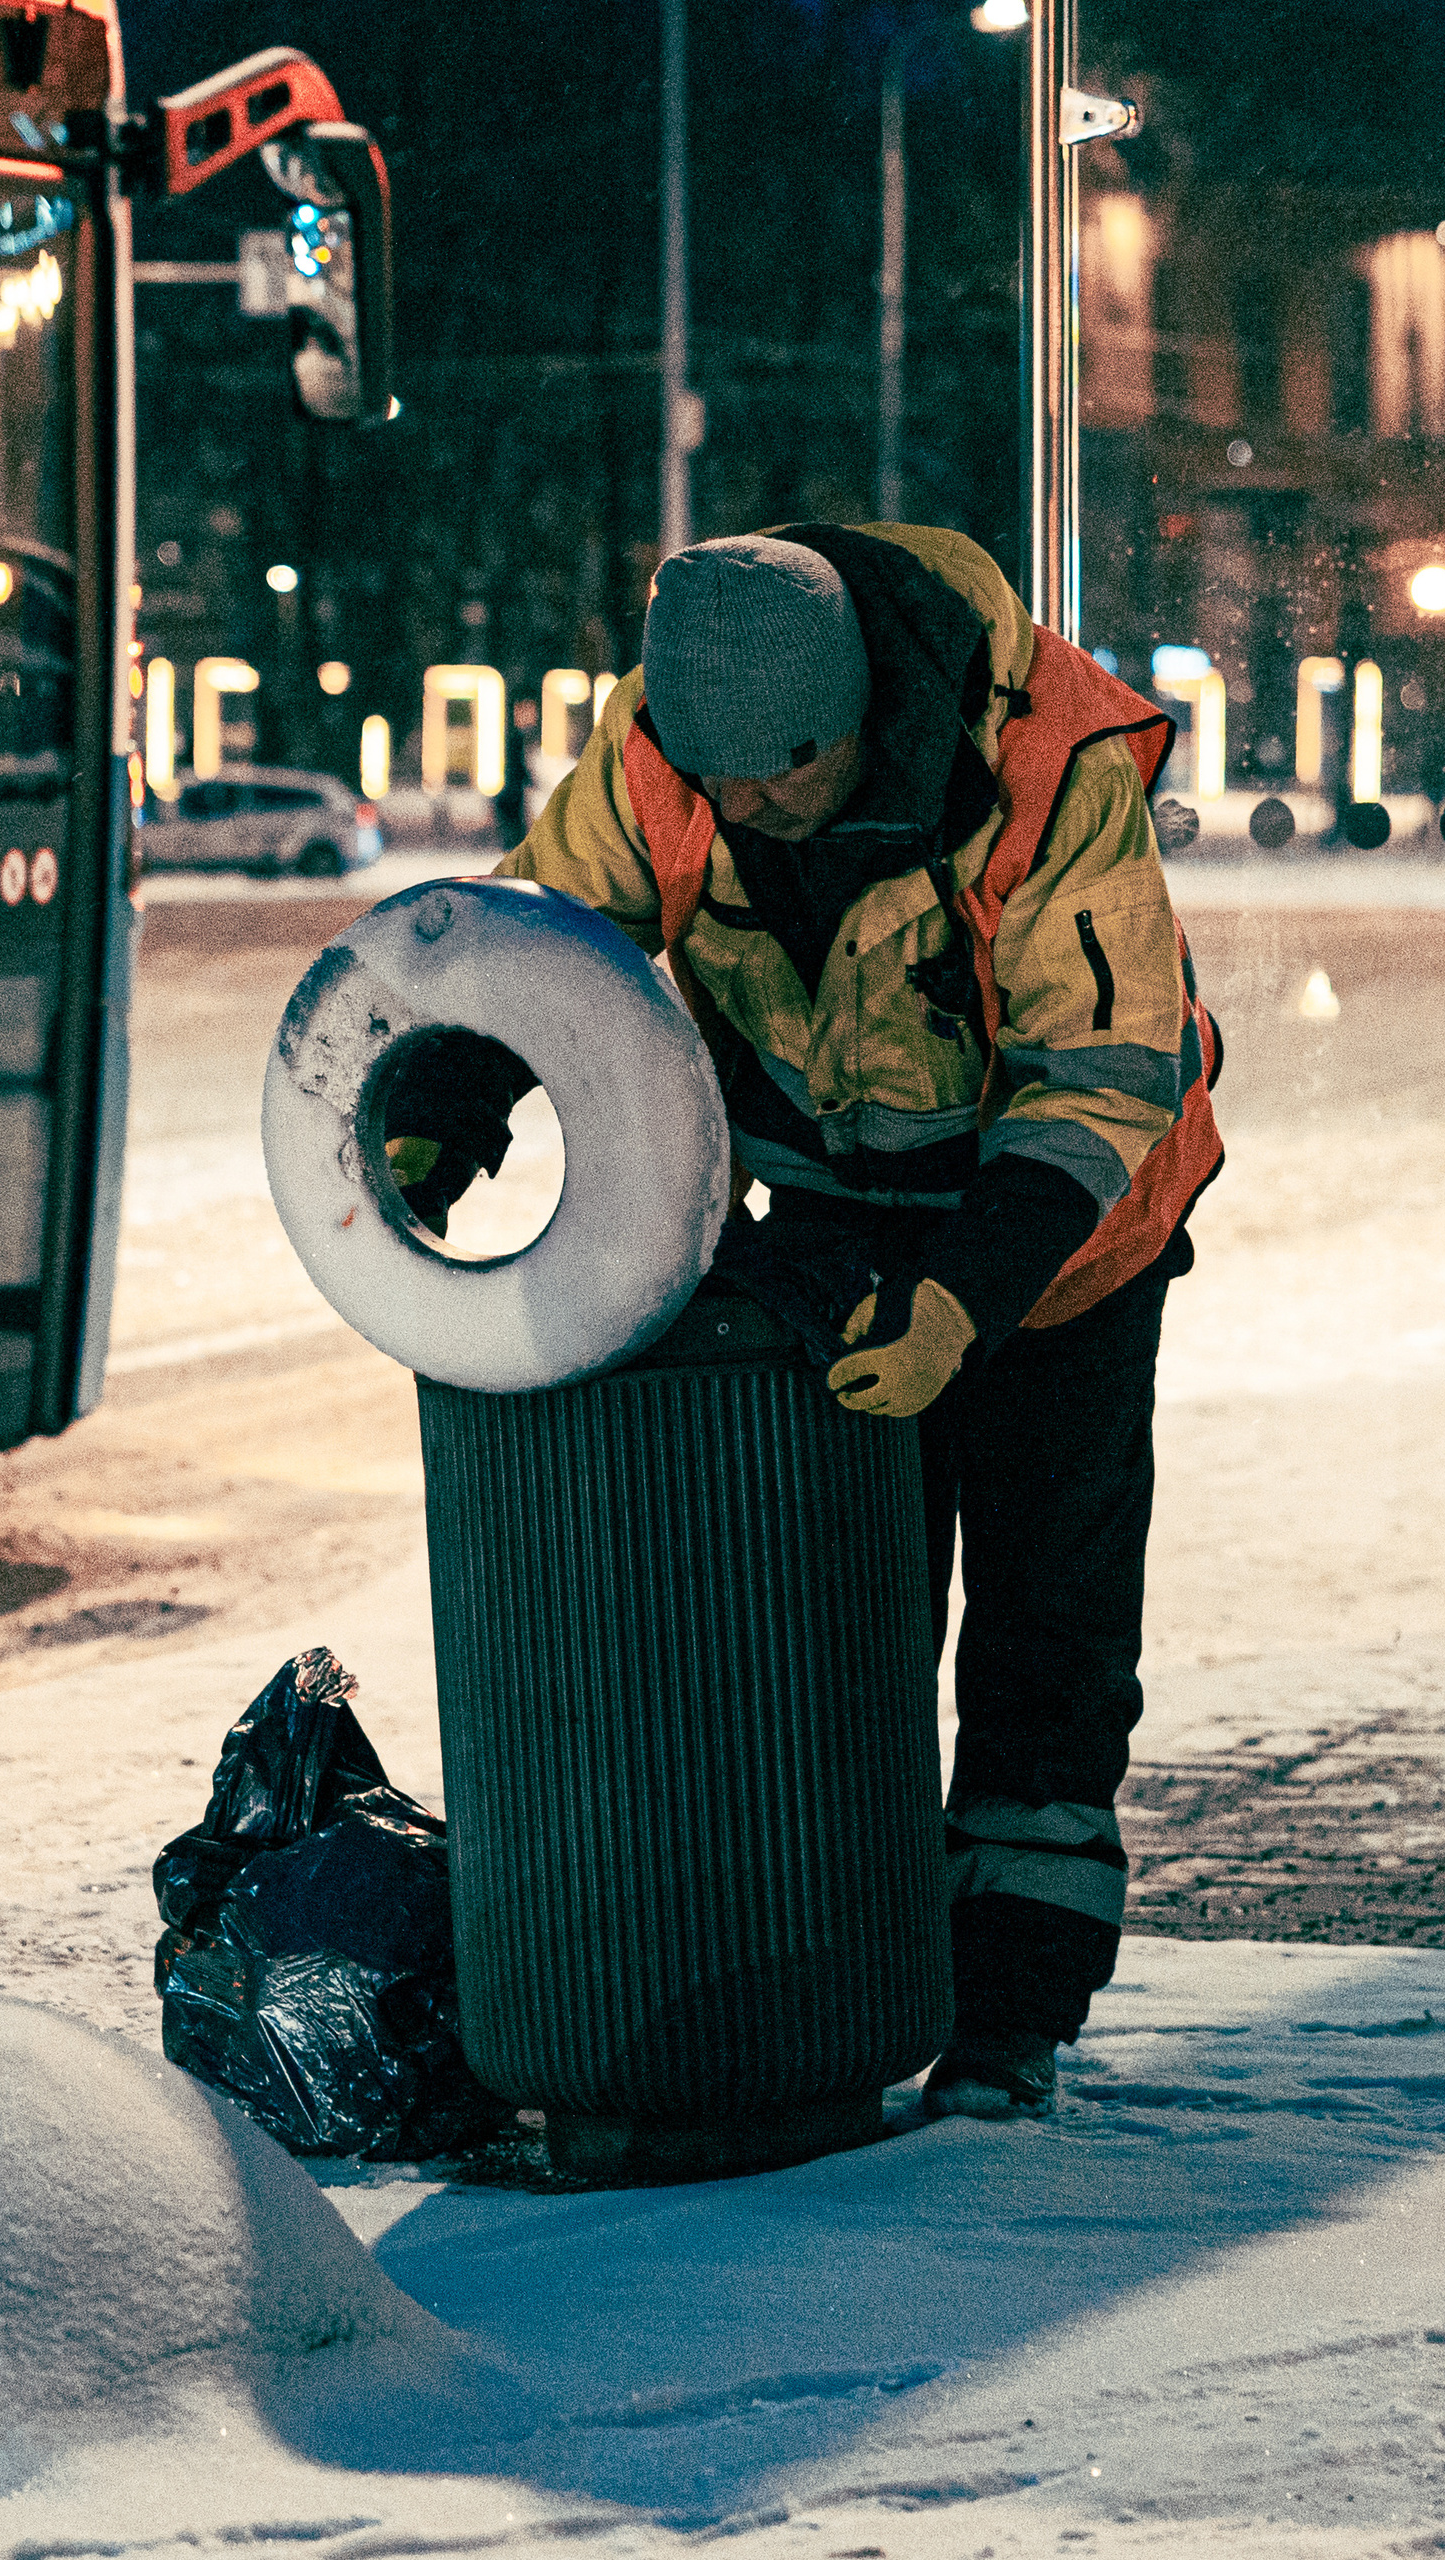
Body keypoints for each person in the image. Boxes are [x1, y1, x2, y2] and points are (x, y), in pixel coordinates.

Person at [387, 526, 1221, 2120]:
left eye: (786, 777)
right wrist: (440, 1113)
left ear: (852, 720)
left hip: (1071, 1245)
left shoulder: (1045, 761)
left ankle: (1007, 2026)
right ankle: (846, 1973)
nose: (750, 812)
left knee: (1046, 1639)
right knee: (835, 1630)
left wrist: (968, 1299)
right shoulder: (668, 760)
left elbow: (1101, 1075)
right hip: (840, 1221)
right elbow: (538, 952)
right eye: (724, 784)